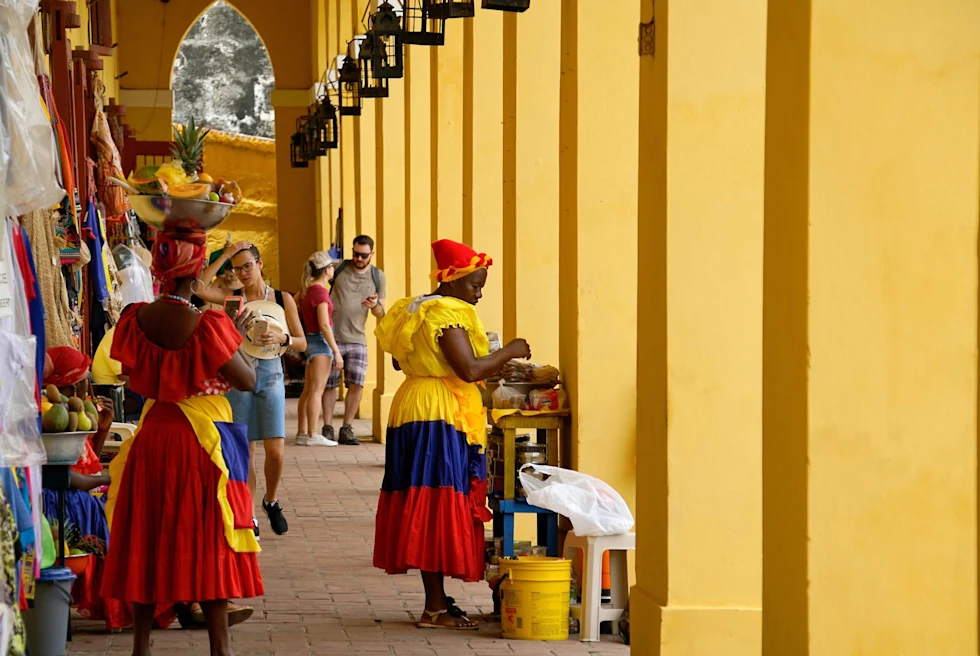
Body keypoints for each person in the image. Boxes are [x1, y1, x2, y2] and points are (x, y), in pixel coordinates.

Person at [101, 231, 263, 656]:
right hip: (200, 441)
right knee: (208, 537)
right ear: (195, 279)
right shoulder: (208, 324)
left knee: (147, 534)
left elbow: (125, 370)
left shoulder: (135, 319)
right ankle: (219, 647)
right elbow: (247, 380)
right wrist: (236, 336)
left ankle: (141, 645)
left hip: (152, 436)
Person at [373, 239, 531, 630]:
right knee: (437, 502)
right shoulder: (446, 313)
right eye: (475, 285)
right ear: (453, 281)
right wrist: (510, 349)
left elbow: (398, 359)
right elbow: (470, 371)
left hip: (414, 403)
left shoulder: (414, 308)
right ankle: (434, 608)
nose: (478, 293)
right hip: (438, 413)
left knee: (426, 498)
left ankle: (437, 600)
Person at [195, 241, 307, 538]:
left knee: (276, 450)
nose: (242, 273)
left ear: (260, 264)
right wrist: (226, 255)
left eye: (247, 266)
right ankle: (249, 514)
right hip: (241, 373)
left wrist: (283, 338)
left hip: (270, 374)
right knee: (245, 450)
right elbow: (198, 287)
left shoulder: (282, 299)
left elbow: (302, 342)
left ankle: (270, 500)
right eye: (237, 267)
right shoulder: (233, 299)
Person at [323, 235, 386, 445]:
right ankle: (328, 427)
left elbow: (381, 313)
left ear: (372, 254)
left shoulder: (377, 276)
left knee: (357, 384)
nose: (358, 258)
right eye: (355, 254)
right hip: (332, 334)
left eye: (363, 255)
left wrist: (374, 305)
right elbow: (319, 285)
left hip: (358, 337)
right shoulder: (338, 268)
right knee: (329, 384)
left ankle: (347, 428)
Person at [295, 252, 343, 446]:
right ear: (326, 270)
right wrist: (336, 351)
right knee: (317, 390)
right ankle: (313, 434)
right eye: (332, 267)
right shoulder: (321, 292)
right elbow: (324, 324)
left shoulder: (307, 289)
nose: (333, 270)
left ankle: (301, 432)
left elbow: (296, 302)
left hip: (310, 340)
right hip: (321, 342)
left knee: (307, 391)